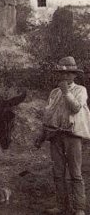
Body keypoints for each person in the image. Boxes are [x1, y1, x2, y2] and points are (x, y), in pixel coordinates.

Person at [35, 56, 90, 215]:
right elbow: (48, 116)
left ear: (74, 75)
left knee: (75, 173)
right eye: (62, 74)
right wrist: (42, 135)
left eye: (69, 74)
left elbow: (76, 108)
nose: (65, 77)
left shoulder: (80, 90)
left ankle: (79, 208)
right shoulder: (54, 93)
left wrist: (66, 92)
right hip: (55, 136)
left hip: (72, 136)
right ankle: (62, 205)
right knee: (58, 173)